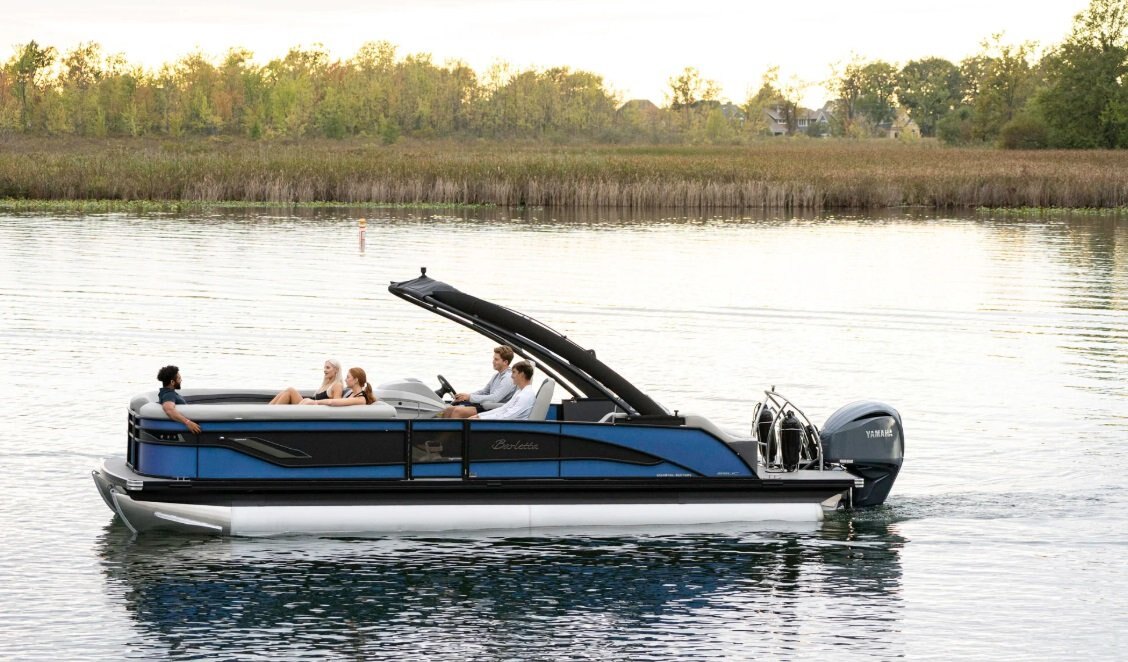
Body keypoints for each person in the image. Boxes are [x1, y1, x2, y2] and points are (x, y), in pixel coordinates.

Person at [440, 345, 516, 419]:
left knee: (457, 411)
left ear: (505, 362)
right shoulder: (496, 375)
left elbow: (495, 398)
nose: (493, 362)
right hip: (487, 406)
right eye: (493, 359)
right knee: (448, 410)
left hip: (497, 409)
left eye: (496, 359)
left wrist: (470, 397)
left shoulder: (508, 378)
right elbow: (484, 392)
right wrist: (465, 397)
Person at [472, 361, 537, 420]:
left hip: (512, 427)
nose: (511, 376)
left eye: (514, 372)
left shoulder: (526, 395)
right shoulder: (520, 392)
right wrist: (479, 415)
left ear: (522, 374)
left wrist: (481, 418)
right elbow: (504, 408)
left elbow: (507, 416)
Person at [270, 359, 344, 405]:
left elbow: (337, 403)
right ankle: (269, 410)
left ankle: (271, 414)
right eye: (324, 368)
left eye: (328, 368)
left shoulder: (337, 385)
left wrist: (315, 403)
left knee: (290, 390)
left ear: (336, 370)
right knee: (287, 391)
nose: (324, 370)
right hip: (310, 407)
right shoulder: (327, 384)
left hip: (315, 411)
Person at [156, 365, 201, 434]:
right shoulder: (169, 395)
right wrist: (188, 422)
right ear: (172, 382)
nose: (181, 380)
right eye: (179, 378)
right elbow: (168, 409)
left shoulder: (166, 393)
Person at [300, 366, 375, 406]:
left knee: (307, 402)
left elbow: (332, 402)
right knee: (305, 400)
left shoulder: (360, 399)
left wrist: (315, 402)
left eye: (348, 377)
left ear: (356, 380)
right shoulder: (351, 393)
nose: (345, 380)